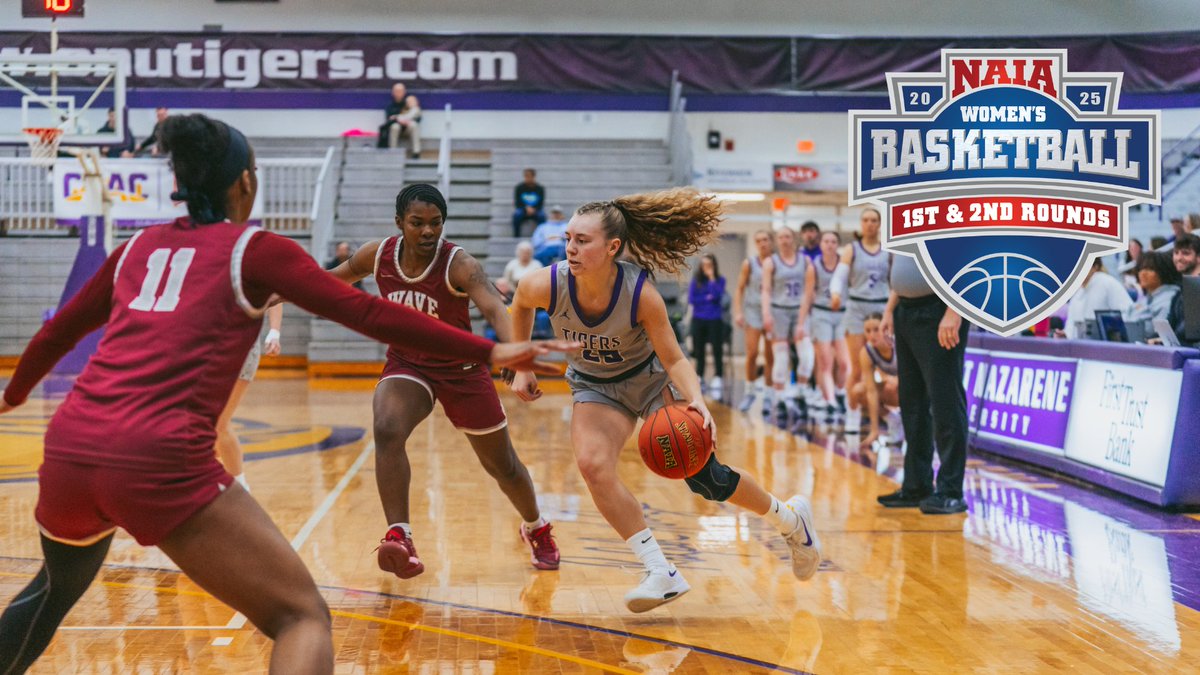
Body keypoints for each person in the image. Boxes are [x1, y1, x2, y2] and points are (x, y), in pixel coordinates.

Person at [0, 114, 569, 674]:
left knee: (49, 594)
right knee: (302, 618)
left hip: (71, 447)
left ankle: (522, 523)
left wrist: (12, 395)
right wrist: (491, 351)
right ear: (246, 182)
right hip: (158, 456)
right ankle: (405, 531)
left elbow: (57, 332)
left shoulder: (135, 247)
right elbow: (368, 311)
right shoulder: (257, 250)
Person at [509, 188, 821, 613]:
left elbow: (674, 358)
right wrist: (522, 362)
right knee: (593, 466)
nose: (571, 248)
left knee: (704, 478)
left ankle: (790, 519)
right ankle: (660, 571)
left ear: (612, 247)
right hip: (595, 385)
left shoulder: (641, 294)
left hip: (650, 380)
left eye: (583, 240)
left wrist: (697, 400)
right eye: (569, 239)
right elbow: (520, 304)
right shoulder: (547, 282)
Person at [328, 183, 561, 578]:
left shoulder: (459, 264)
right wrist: (279, 291)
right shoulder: (378, 254)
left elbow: (496, 308)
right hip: (408, 365)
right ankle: (400, 535)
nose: (428, 231)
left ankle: (536, 527)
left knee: (503, 466)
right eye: (417, 223)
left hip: (462, 372)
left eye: (436, 223)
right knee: (387, 428)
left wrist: (521, 360)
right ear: (399, 222)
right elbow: (332, 281)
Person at [877, 254, 970, 515]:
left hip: (940, 309)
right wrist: (889, 309)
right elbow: (902, 265)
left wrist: (955, 310)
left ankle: (951, 490)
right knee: (912, 403)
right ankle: (916, 484)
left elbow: (970, 259)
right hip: (905, 310)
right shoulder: (902, 215)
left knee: (945, 401)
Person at [831, 207, 891, 431]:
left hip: (882, 308)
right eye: (865, 220)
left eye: (874, 220)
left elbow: (895, 280)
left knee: (886, 367)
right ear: (860, 223)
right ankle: (853, 412)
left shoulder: (888, 250)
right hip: (857, 307)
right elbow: (839, 276)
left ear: (880, 224)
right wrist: (836, 294)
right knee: (856, 366)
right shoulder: (852, 249)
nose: (870, 224)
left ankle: (886, 413)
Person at [215, 303, 284, 491]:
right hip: (205, 348)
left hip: (240, 349)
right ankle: (212, 480)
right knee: (202, 427)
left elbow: (274, 290)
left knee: (219, 422)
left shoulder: (246, 274)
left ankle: (240, 489)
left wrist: (274, 332)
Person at [761, 226, 814, 422]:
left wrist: (801, 321)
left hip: (799, 309)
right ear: (777, 240)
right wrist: (766, 313)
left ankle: (801, 394)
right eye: (781, 237)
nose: (784, 240)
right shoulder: (770, 263)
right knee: (781, 358)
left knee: (807, 355)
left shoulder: (805, 261)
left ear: (794, 239)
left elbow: (808, 293)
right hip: (778, 310)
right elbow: (766, 290)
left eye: (788, 236)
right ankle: (780, 399)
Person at [733, 230, 775, 414]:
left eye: (765, 240)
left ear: (771, 242)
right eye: (758, 240)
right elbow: (740, 289)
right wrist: (738, 311)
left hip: (772, 310)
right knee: (751, 353)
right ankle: (749, 392)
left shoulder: (777, 262)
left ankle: (768, 394)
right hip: (752, 311)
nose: (762, 243)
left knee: (770, 355)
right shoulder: (748, 263)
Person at [810, 230, 850, 419]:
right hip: (821, 313)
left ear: (838, 244)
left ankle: (840, 392)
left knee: (844, 363)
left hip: (842, 314)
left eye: (834, 241)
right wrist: (803, 321)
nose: (829, 244)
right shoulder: (814, 265)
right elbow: (808, 294)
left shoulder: (845, 264)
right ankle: (830, 401)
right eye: (826, 241)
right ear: (821, 244)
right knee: (825, 361)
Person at [851, 313, 901, 449]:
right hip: (894, 391)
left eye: (876, 329)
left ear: (885, 328)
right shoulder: (867, 352)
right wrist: (874, 430)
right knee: (858, 391)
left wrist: (897, 379)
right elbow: (871, 391)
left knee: (892, 385)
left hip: (914, 389)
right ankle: (893, 420)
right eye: (868, 331)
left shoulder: (899, 343)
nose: (872, 335)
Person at [1061, 259, 1133, 339]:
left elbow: (1128, 313)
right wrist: (1065, 335)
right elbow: (1071, 325)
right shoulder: (1077, 294)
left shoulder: (1108, 283)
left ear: (1095, 267)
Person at [688, 253, 726, 397]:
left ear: (713, 266)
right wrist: (707, 298)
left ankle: (718, 377)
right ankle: (700, 376)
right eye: (704, 265)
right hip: (699, 319)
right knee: (699, 350)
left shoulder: (720, 280)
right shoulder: (695, 282)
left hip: (715, 319)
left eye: (709, 265)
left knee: (717, 349)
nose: (706, 268)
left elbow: (717, 296)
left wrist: (711, 279)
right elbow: (692, 300)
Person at [1126, 250, 1181, 326]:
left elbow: (1157, 331)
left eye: (1150, 269)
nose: (1143, 273)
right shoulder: (1146, 299)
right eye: (1140, 269)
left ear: (1163, 271)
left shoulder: (1170, 298)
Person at [376, 83, 422, 158]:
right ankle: (393, 151)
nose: (398, 93)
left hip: (408, 129)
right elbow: (389, 120)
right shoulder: (390, 106)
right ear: (393, 92)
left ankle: (416, 152)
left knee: (414, 125)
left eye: (400, 91)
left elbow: (418, 118)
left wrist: (407, 121)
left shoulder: (408, 103)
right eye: (397, 91)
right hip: (396, 129)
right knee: (395, 126)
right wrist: (399, 121)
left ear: (404, 92)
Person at [512, 169, 546, 238]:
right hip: (523, 209)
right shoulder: (519, 188)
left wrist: (533, 209)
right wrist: (526, 208)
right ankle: (516, 236)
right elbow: (517, 203)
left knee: (542, 216)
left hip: (535, 210)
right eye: (526, 176)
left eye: (529, 176)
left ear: (534, 177)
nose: (527, 178)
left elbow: (541, 204)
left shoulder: (540, 189)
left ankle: (540, 236)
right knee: (516, 214)